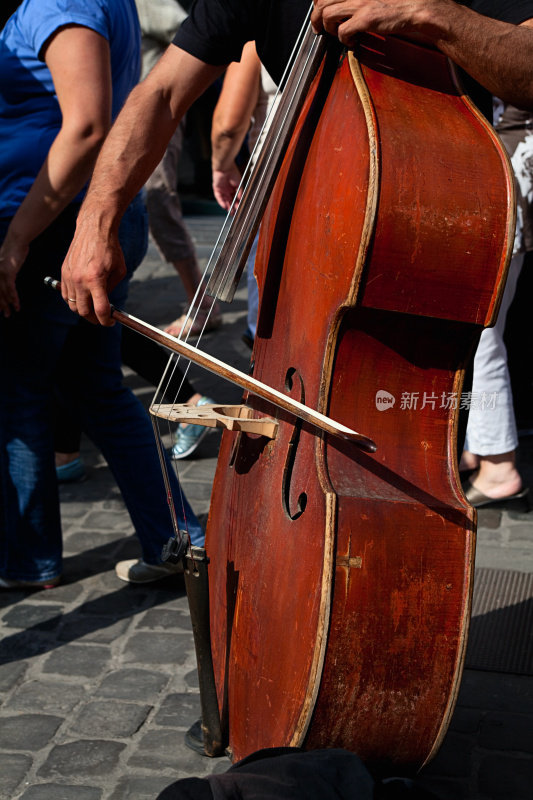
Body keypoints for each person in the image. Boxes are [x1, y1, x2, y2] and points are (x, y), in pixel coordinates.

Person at [60, 0, 533, 331]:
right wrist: (96, 220)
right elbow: (161, 93)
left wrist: (436, 16)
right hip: (308, 231)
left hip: (427, 233)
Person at [0, 0, 203, 590]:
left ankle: (27, 559)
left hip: (51, 224)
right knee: (96, 388)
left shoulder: (58, 1)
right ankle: (173, 536)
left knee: (20, 390)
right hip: (70, 220)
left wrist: (17, 238)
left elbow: (87, 125)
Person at [135, 0, 222, 341]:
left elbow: (199, 36)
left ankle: (202, 304)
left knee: (158, 202)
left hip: (154, 118)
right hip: (125, 120)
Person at [460, 102, 533, 508]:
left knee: (484, 335)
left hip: (500, 184)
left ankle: (499, 465)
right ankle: (481, 445)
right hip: (507, 179)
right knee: (483, 334)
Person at [210, 41, 278, 348]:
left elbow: (229, 123)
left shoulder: (263, 18)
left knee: (267, 288)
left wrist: (222, 166)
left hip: (276, 175)